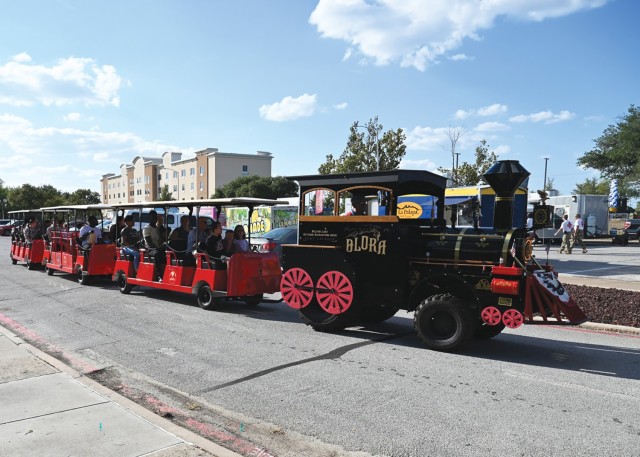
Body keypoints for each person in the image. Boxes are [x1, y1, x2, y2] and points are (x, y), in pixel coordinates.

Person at [142, 210, 165, 280]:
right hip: (150, 249)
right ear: (150, 218)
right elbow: (149, 243)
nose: (155, 219)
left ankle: (166, 272)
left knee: (167, 253)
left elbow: (162, 239)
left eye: (155, 217)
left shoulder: (157, 228)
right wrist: (158, 248)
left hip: (158, 248)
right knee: (157, 254)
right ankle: (159, 274)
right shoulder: (147, 228)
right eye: (153, 217)